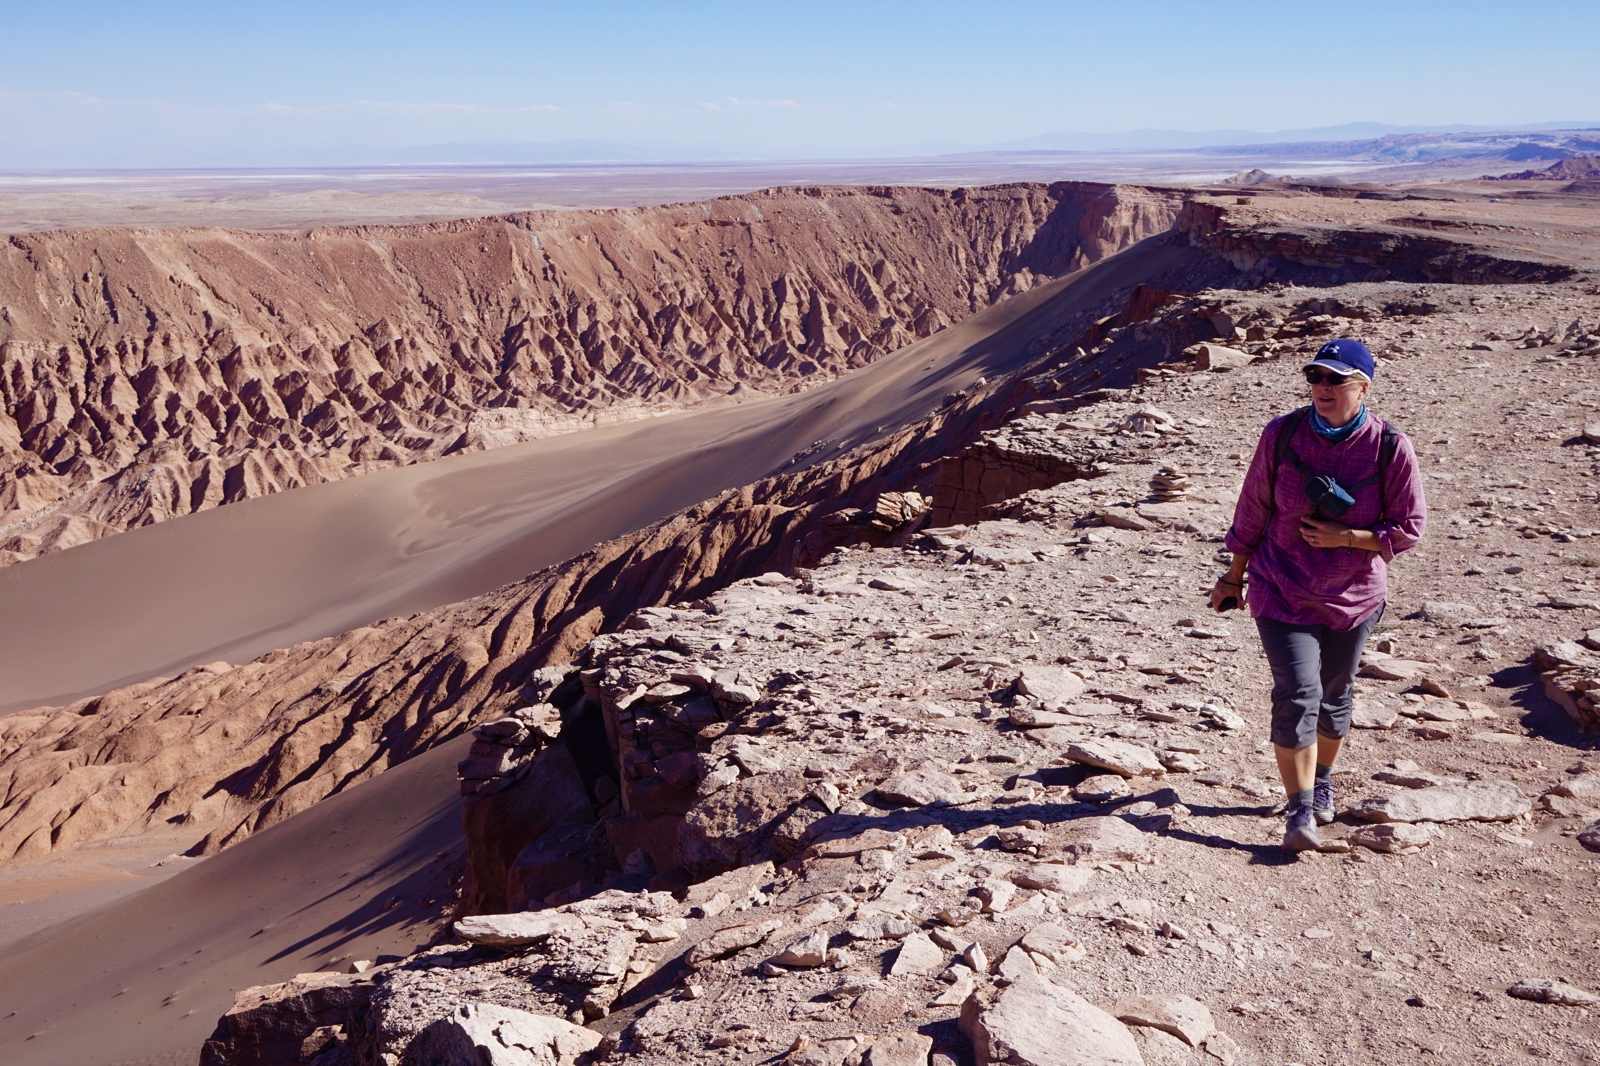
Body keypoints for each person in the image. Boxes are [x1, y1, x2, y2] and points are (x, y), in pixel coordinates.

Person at [1210, 339, 1426, 851]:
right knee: (1298, 694)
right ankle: (1301, 808)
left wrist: (1347, 538)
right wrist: (1233, 576)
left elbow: (1410, 527)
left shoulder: (1390, 447)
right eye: (1316, 377)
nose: (1322, 388)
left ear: (1363, 387)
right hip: (1280, 586)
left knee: (1336, 694)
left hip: (1353, 597)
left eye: (1336, 379)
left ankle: (1322, 777)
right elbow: (1254, 509)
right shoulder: (1282, 435)